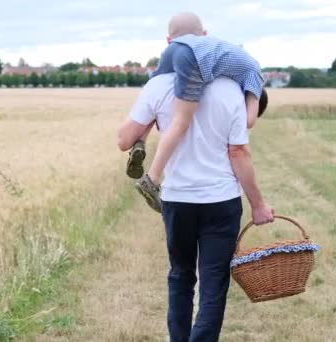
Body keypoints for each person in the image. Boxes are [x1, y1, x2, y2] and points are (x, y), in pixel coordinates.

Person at [117, 72, 274, 341]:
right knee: (213, 283)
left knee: (181, 275)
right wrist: (257, 204)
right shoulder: (231, 89)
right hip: (221, 201)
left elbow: (123, 140)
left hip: (178, 198)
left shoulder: (160, 83)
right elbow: (238, 152)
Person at [127, 12, 265, 213]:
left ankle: (139, 143)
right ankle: (152, 179)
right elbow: (250, 120)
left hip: (176, 51)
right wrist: (238, 110)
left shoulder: (203, 46)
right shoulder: (255, 74)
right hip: (194, 57)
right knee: (181, 122)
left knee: (153, 99)